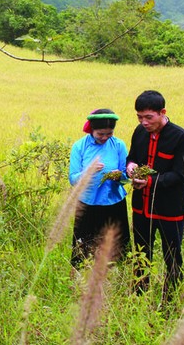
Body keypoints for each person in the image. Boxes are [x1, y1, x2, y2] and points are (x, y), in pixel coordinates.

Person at [126, 90, 184, 301]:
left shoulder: (181, 137)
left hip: (170, 208)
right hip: (141, 207)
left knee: (172, 255)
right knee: (140, 253)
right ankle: (139, 295)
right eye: (139, 117)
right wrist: (131, 167)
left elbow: (180, 175)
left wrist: (149, 182)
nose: (144, 122)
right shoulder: (139, 132)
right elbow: (131, 157)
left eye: (149, 117)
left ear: (162, 112)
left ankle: (170, 300)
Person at [69, 109, 131, 270]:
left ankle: (115, 278)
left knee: (117, 247)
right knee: (83, 247)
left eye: (109, 134)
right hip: (87, 204)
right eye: (100, 134)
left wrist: (119, 176)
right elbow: (73, 179)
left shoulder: (118, 145)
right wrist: (88, 171)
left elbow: (126, 177)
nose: (104, 138)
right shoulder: (79, 147)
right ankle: (80, 279)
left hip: (114, 203)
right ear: (92, 130)